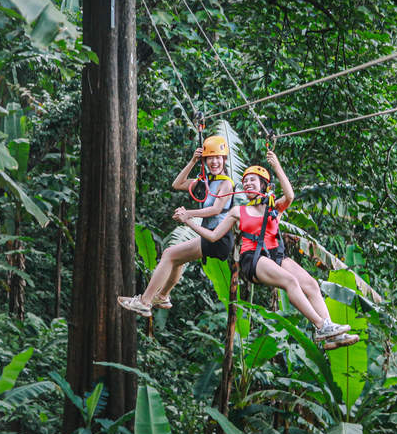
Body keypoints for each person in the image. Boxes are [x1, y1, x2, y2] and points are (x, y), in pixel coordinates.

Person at [174, 151, 359, 349]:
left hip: (276, 256)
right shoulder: (238, 211)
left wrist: (276, 165)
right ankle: (321, 326)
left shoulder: (274, 207)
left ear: (264, 185)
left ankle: (331, 334)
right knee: (290, 281)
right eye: (245, 182)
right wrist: (188, 221)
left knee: (311, 284)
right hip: (253, 259)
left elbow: (290, 195)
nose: (247, 184)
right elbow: (212, 236)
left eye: (252, 180)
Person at [119, 135, 236, 315]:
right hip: (210, 235)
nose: (214, 162)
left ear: (224, 159)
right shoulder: (207, 181)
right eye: (210, 158)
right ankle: (163, 296)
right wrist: (192, 161)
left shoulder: (226, 184)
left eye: (218, 157)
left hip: (218, 237)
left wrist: (188, 214)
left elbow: (215, 209)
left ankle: (145, 301)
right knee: (177, 260)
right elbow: (177, 184)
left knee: (169, 254)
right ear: (205, 160)